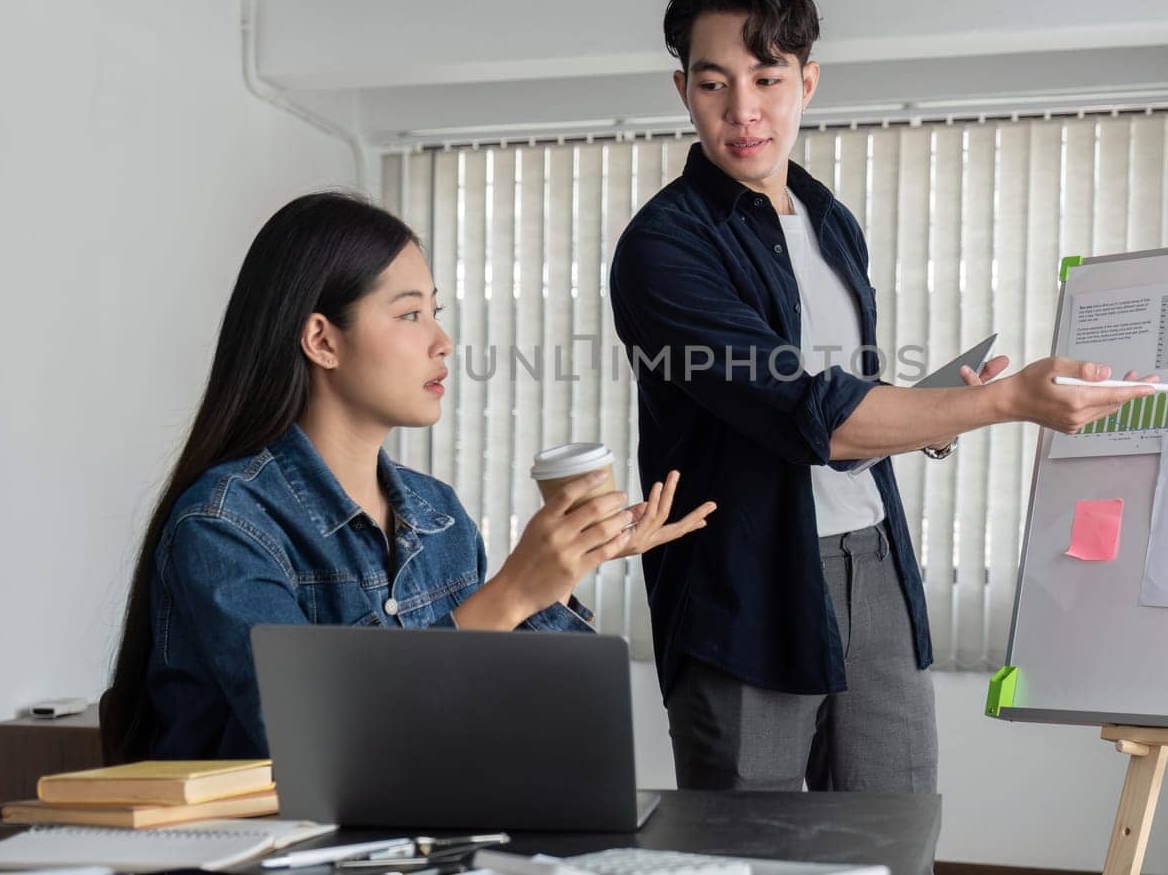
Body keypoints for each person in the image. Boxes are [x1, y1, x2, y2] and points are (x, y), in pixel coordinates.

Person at [608, 0, 1154, 793]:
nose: (744, 110)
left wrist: (943, 403)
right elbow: (805, 413)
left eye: (768, 76)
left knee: (895, 832)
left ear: (808, 81)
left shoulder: (831, 221)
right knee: (752, 854)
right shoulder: (664, 248)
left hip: (873, 563)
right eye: (716, 83)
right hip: (744, 587)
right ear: (684, 89)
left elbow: (845, 410)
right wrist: (997, 402)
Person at [102, 192, 715, 761]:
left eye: (436, 312)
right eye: (411, 314)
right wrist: (510, 594)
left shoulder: (435, 512)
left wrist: (566, 567)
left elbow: (509, 727)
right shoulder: (224, 525)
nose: (443, 341)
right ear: (322, 340)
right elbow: (315, 740)